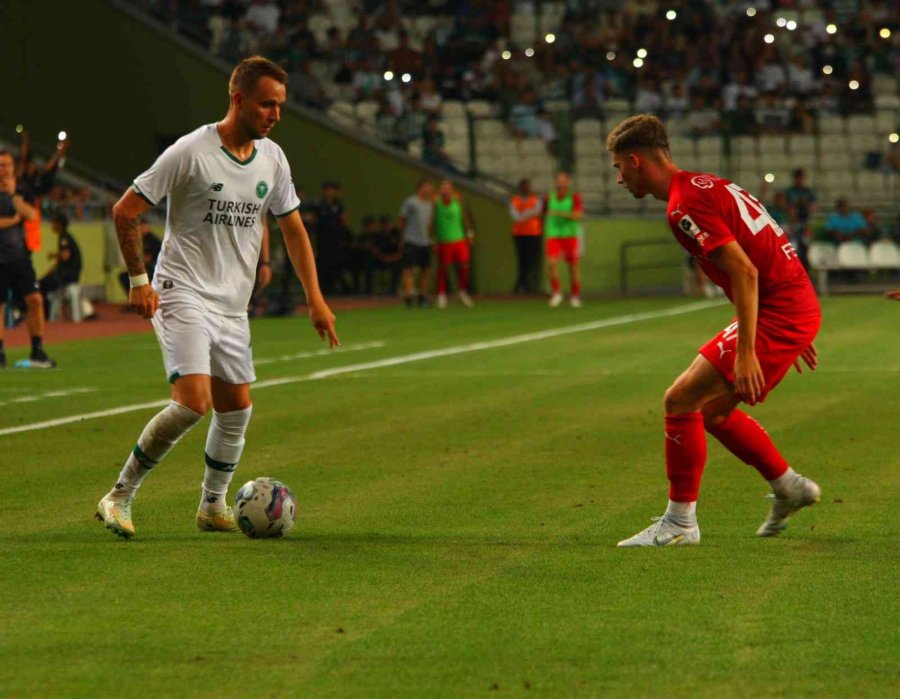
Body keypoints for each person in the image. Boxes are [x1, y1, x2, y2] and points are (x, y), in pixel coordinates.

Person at [94, 56, 339, 539]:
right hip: (181, 291)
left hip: (232, 303)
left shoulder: (273, 158)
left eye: (280, 106)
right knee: (193, 403)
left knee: (237, 407)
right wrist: (139, 280)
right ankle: (119, 496)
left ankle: (212, 505)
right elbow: (126, 211)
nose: (275, 114)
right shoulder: (191, 152)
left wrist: (315, 298)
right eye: (267, 104)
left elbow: (292, 229)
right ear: (238, 98)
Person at [607, 114, 821, 547]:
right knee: (712, 412)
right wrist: (797, 320)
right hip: (788, 305)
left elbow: (743, 270)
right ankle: (789, 487)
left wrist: (749, 349)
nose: (617, 179)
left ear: (635, 160)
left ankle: (680, 524)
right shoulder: (708, 183)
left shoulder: (683, 206)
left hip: (780, 310)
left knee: (680, 399)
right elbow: (766, 246)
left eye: (617, 167)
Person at [0, 150, 56, 369]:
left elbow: (31, 214)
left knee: (35, 300)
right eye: (0, 165)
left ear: (13, 167)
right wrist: (14, 218)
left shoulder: (22, 189)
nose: (3, 169)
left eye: (6, 165)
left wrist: (13, 196)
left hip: (19, 257)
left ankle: (37, 350)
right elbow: (20, 217)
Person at [543, 171, 584, 308]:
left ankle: (575, 295)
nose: (561, 183)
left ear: (568, 182)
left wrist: (560, 214)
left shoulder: (574, 197)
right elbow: (544, 212)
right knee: (552, 263)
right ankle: (556, 293)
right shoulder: (549, 197)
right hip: (553, 234)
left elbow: (578, 216)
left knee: (573, 267)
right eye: (559, 181)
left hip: (570, 235)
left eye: (563, 181)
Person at [432, 179, 474, 308]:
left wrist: (470, 233)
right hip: (444, 240)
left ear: (452, 189)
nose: (446, 190)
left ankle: (462, 291)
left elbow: (465, 217)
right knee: (443, 268)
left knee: (464, 265)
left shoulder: (458, 200)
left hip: (459, 238)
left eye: (448, 187)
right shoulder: (436, 202)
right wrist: (433, 239)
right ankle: (441, 295)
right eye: (443, 187)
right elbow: (431, 220)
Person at [398, 179, 434, 307]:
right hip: (411, 240)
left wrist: (430, 238)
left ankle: (422, 296)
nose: (429, 189)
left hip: (425, 242)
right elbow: (402, 220)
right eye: (427, 187)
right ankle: (408, 296)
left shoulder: (430, 204)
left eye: (430, 187)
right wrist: (402, 238)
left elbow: (429, 223)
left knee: (426, 269)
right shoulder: (411, 202)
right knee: (409, 269)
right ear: (420, 188)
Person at [39, 213, 82, 317]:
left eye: (53, 223)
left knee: (42, 286)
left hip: (68, 275)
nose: (52, 225)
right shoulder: (65, 237)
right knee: (43, 282)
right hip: (67, 274)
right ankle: (48, 315)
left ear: (59, 224)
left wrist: (53, 255)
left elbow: (65, 256)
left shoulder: (64, 237)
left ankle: (46, 315)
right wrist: (46, 274)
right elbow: (59, 263)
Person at [509, 179, 542, 294]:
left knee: (531, 260)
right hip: (519, 234)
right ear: (520, 188)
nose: (527, 189)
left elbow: (537, 211)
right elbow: (515, 216)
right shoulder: (515, 200)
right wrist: (529, 213)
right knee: (521, 260)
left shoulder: (535, 199)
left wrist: (523, 213)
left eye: (528, 187)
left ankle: (526, 284)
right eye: (524, 187)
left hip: (533, 233)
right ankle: (522, 284)